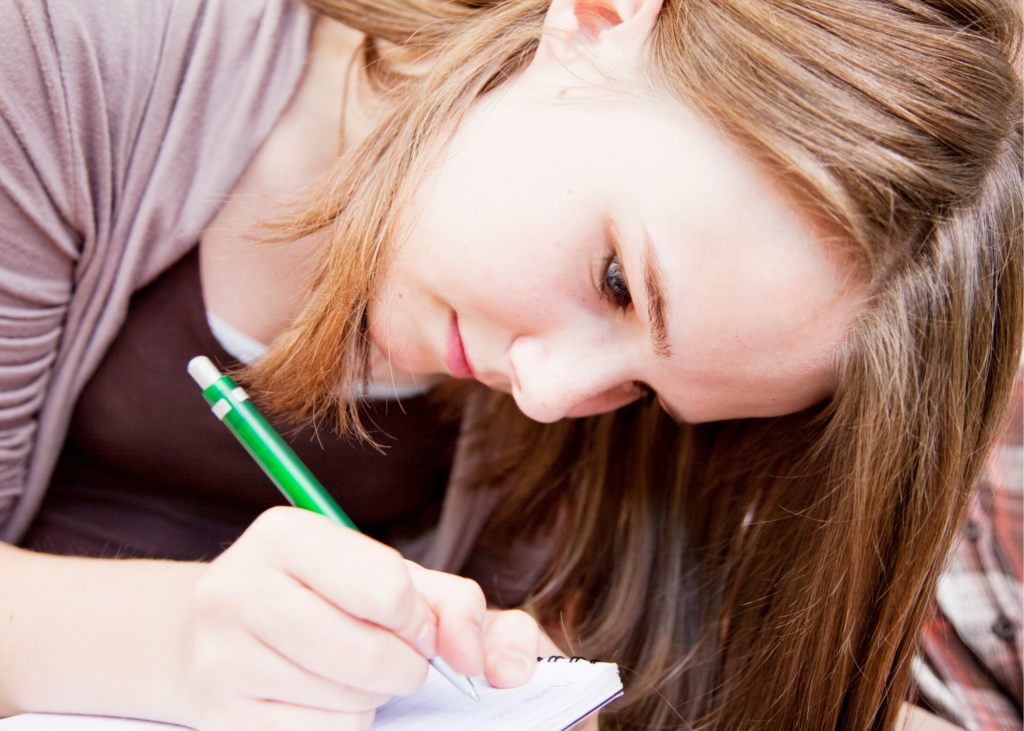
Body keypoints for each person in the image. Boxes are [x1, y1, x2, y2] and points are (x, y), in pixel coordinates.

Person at [0, 0, 1019, 729]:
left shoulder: (595, 415)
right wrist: (172, 642)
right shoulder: (61, 48)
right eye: (618, 280)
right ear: (598, 21)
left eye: (647, 395)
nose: (549, 396)